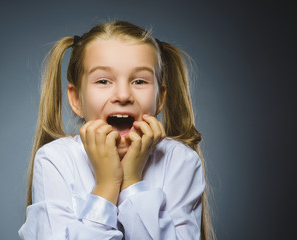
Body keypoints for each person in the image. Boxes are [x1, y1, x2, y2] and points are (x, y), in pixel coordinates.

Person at [19, 20, 214, 239]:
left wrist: (132, 181)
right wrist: (106, 185)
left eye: (139, 81)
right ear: (76, 100)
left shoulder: (180, 161)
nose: (123, 95)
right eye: (103, 81)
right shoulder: (55, 159)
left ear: (160, 99)